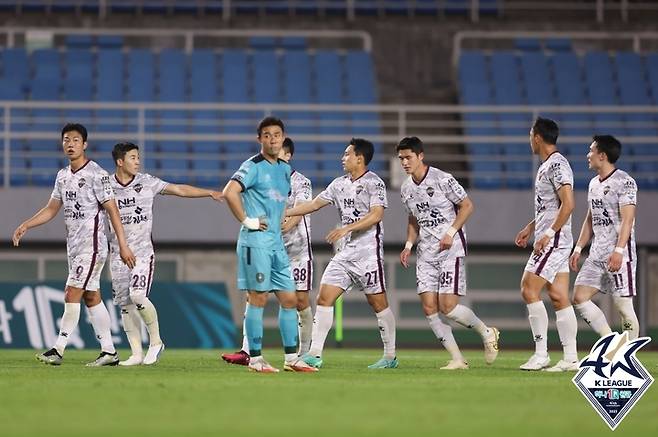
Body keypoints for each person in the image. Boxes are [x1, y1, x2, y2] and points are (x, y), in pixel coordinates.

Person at [12, 123, 136, 366]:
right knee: (91, 297)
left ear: (85, 144)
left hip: (93, 247)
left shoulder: (97, 175)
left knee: (72, 292)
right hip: (75, 247)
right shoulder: (62, 176)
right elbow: (51, 209)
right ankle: (109, 351)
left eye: (76, 140)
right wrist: (27, 224)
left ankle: (58, 349)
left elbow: (113, 210)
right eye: (66, 140)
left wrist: (123, 245)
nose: (70, 144)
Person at [109, 142, 224, 366]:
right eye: (133, 157)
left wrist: (209, 193)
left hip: (142, 253)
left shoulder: (146, 182)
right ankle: (135, 353)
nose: (138, 161)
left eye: (138, 157)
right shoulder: (106, 187)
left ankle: (156, 343)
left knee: (138, 296)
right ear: (120, 161)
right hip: (118, 254)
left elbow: (179, 189)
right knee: (125, 304)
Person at [287, 138, 398, 370]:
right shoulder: (338, 184)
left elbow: (377, 215)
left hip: (368, 254)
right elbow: (314, 204)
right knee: (323, 297)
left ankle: (390, 357)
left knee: (378, 303)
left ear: (360, 158)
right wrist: (286, 211)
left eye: (347, 154)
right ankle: (314, 354)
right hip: (345, 254)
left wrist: (346, 228)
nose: (342, 158)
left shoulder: (374, 183)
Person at [222, 117, 316, 373]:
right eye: (267, 135)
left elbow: (280, 203)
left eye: (277, 134)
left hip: (276, 244)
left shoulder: (284, 170)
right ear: (260, 139)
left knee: (289, 299)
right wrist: (247, 220)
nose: (272, 139)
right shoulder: (252, 166)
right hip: (255, 243)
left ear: (283, 138)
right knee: (258, 298)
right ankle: (255, 359)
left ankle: (291, 358)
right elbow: (229, 192)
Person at [397, 137, 499, 370]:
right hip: (426, 252)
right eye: (401, 158)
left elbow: (467, 206)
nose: (404, 162)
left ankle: (487, 332)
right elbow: (413, 219)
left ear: (420, 155)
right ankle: (457, 358)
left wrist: (451, 232)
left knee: (448, 307)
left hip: (450, 248)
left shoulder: (442, 179)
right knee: (429, 307)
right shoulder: (406, 188)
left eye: (408, 157)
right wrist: (408, 246)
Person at [514, 117, 579, 372]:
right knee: (558, 295)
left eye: (531, 134)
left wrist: (548, 234)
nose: (529, 139)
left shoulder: (557, 165)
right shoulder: (548, 165)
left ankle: (541, 354)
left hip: (555, 240)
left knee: (528, 288)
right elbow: (550, 206)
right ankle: (571, 357)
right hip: (552, 236)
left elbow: (569, 204)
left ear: (538, 137)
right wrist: (531, 227)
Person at [570, 135, 639, 340]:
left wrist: (618, 251)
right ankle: (609, 342)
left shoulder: (624, 182)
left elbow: (628, 220)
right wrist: (578, 247)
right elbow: (590, 219)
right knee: (579, 297)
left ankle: (628, 356)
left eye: (591, 150)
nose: (587, 155)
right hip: (597, 254)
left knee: (622, 305)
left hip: (620, 254)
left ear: (602, 155)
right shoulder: (593, 184)